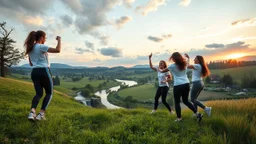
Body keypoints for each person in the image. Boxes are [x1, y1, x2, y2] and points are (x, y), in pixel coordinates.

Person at [24, 30, 61, 120]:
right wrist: (59, 40)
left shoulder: (30, 48)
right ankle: (41, 114)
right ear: (41, 38)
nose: (45, 40)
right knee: (49, 93)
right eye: (45, 38)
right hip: (44, 71)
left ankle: (32, 113)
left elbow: (31, 64)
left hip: (34, 72)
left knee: (38, 94)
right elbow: (58, 50)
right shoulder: (41, 46)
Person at [159, 52, 203, 123]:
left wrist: (159, 69)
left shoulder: (172, 66)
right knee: (186, 101)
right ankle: (198, 114)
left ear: (173, 58)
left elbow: (162, 71)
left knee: (177, 102)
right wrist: (188, 58)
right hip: (186, 84)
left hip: (178, 85)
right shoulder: (184, 63)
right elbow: (188, 63)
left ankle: (179, 118)